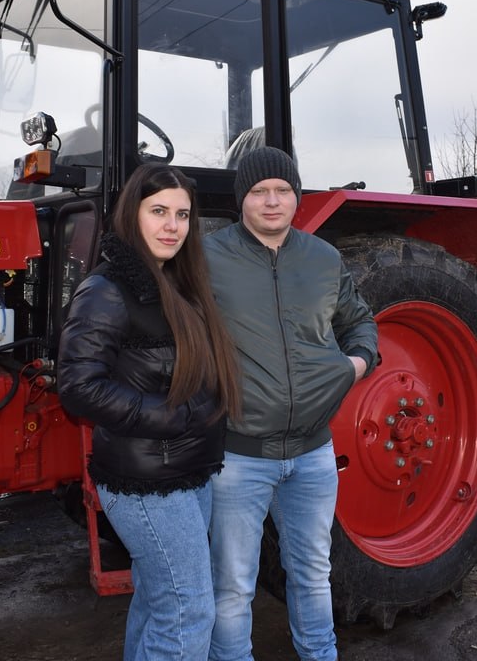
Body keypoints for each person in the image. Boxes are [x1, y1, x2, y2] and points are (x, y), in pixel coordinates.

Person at [57, 162, 240, 660]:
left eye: (182, 215)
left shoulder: (178, 283)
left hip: (187, 470)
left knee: (162, 601)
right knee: (190, 611)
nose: (172, 226)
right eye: (158, 211)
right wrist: (168, 418)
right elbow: (77, 385)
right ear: (131, 215)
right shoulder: (107, 289)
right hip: (148, 481)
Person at [204, 146, 378, 661]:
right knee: (233, 586)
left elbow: (357, 320)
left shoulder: (323, 258)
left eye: (282, 190)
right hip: (239, 457)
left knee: (312, 572)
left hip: (312, 455)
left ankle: (320, 655)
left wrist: (357, 364)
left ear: (296, 197)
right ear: (242, 200)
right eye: (259, 192)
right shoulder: (208, 258)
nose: (272, 201)